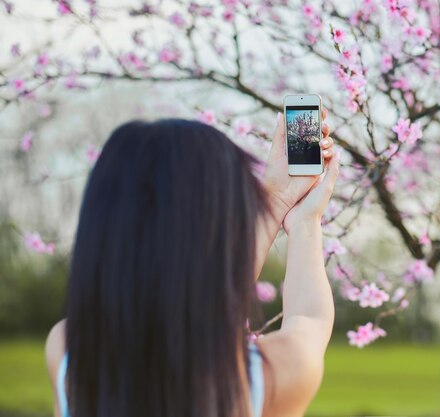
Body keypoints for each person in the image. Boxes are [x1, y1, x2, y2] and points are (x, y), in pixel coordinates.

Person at [44, 110, 339, 417]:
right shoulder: (268, 378)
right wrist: (305, 222)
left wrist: (279, 199)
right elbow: (309, 318)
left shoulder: (69, 353)